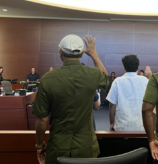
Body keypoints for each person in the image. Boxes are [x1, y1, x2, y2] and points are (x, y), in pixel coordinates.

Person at [32, 35, 108, 164]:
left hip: (58, 147)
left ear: (60, 51)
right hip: (87, 147)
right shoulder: (93, 74)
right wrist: (94, 54)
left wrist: (40, 145)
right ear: (82, 54)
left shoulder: (47, 79)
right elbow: (106, 80)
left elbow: (42, 119)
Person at [107, 55, 148, 131]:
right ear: (137, 67)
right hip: (141, 126)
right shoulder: (145, 80)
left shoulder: (117, 81)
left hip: (121, 127)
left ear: (124, 67)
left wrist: (112, 122)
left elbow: (112, 104)